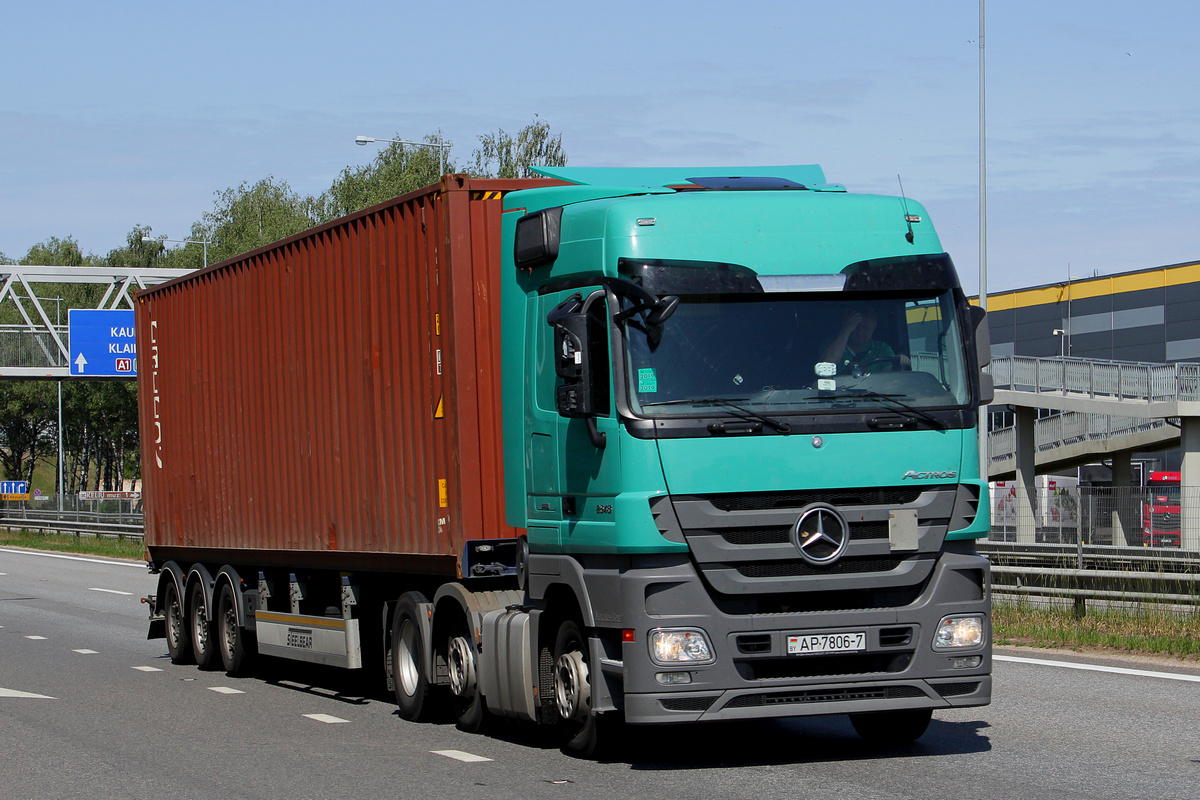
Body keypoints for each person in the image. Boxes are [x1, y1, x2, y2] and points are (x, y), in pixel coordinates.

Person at [819, 306, 909, 374]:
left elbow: (888, 379)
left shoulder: (882, 348)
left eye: (866, 328)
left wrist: (899, 362)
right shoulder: (831, 345)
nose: (860, 333)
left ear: (874, 327)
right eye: (856, 327)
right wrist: (845, 331)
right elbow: (825, 365)